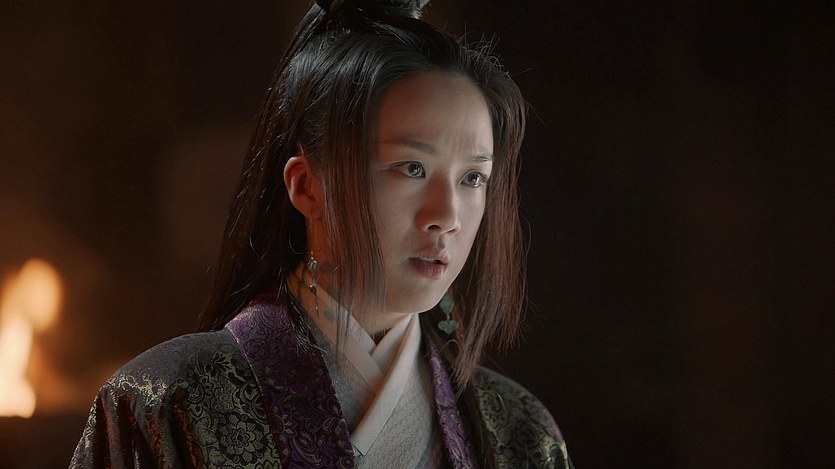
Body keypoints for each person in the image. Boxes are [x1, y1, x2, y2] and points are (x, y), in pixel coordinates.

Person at [71, 0, 572, 467]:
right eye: (411, 168)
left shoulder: (518, 433)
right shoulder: (168, 402)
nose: (447, 215)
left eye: (473, 178)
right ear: (307, 186)